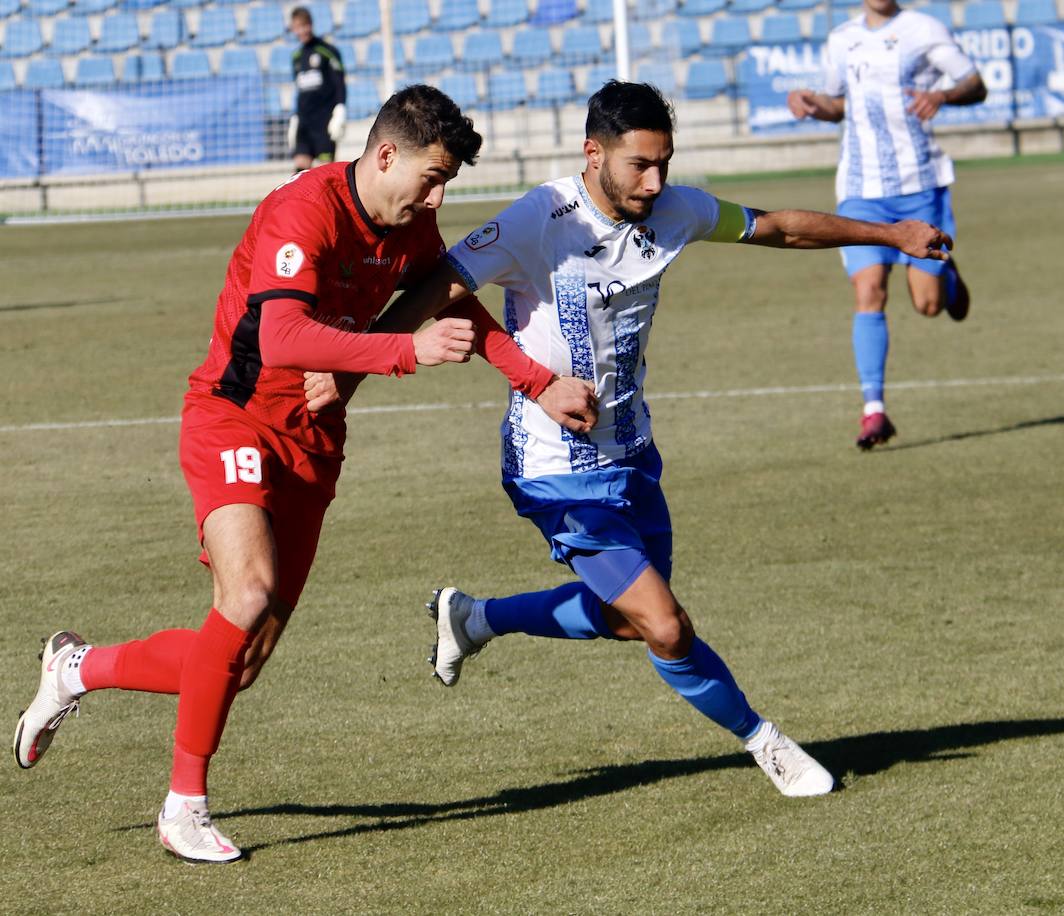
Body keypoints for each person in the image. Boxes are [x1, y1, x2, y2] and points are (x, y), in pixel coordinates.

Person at [308, 81, 955, 798]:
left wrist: (894, 236)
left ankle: (474, 617)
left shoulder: (674, 210)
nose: (655, 181)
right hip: (553, 470)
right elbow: (438, 287)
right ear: (594, 154)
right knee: (667, 626)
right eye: (639, 165)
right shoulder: (539, 218)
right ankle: (765, 742)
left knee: (628, 620)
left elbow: (779, 228)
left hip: (632, 453)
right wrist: (351, 371)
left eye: (664, 163)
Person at [13, 86, 597, 864]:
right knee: (246, 594)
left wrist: (537, 383)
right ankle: (183, 807)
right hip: (235, 416)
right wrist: (401, 352)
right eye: (430, 177)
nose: (438, 196)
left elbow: (454, 303)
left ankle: (78, 668)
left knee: (240, 663)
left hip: (314, 443)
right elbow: (284, 337)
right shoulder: (305, 209)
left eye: (446, 182)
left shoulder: (410, 221)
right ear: (385, 155)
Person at [785, 0, 983, 449]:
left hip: (919, 184)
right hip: (860, 189)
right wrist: (812, 103)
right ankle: (874, 410)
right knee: (868, 289)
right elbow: (839, 105)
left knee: (929, 305)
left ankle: (945, 276)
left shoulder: (924, 29)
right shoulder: (842, 39)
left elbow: (976, 84)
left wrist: (943, 95)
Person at [288, 6, 347, 172]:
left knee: (324, 173)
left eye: (304, 26)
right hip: (305, 122)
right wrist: (295, 117)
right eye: (297, 27)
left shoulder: (328, 52)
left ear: (311, 25)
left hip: (324, 121)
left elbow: (339, 83)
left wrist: (340, 109)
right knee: (299, 172)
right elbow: (300, 90)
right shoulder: (296, 58)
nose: (301, 31)